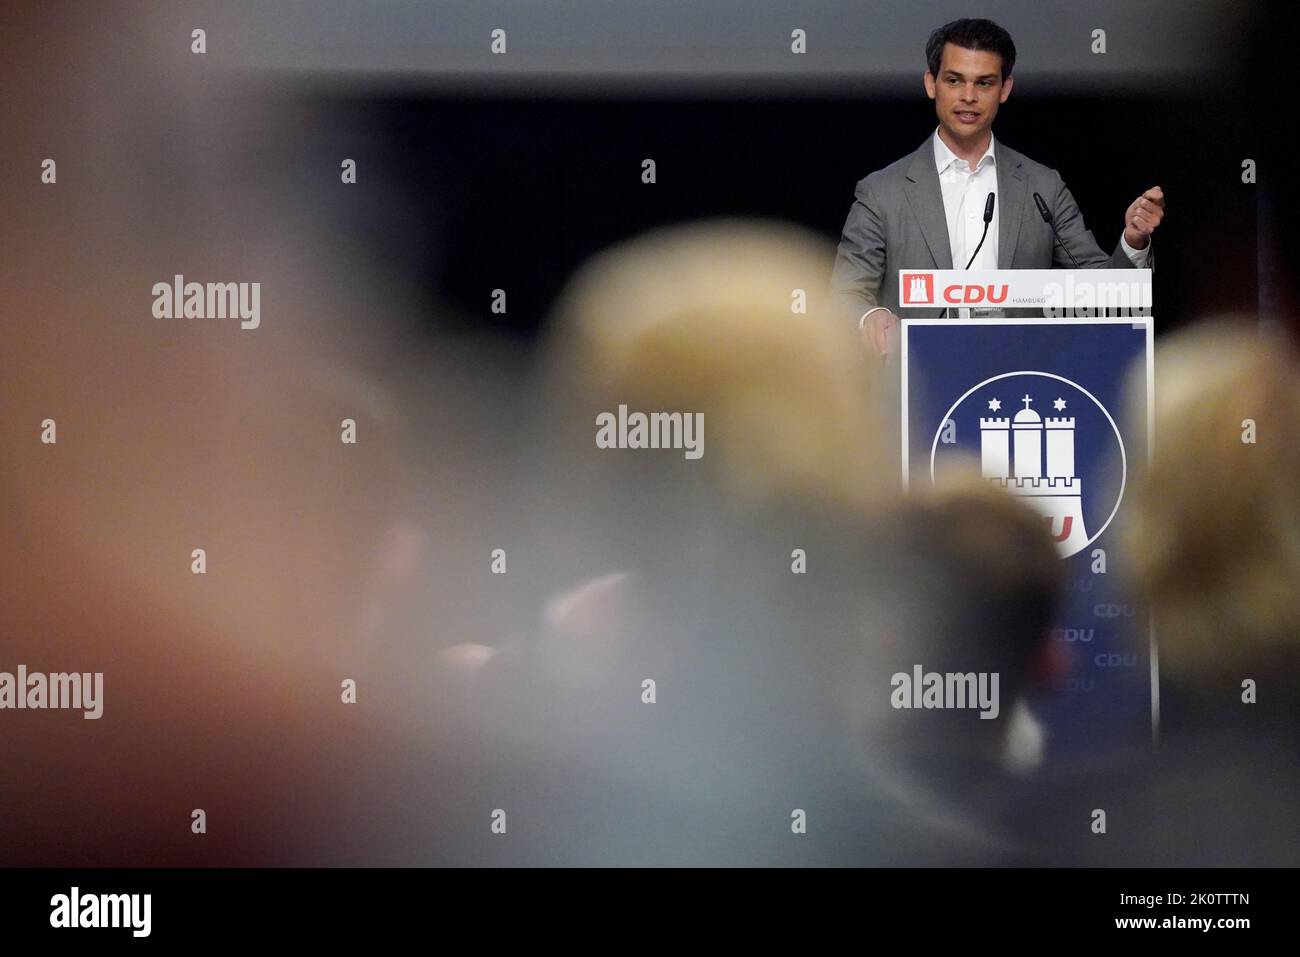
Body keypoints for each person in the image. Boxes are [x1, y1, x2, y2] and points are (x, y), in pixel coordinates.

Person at [830, 18, 1166, 362]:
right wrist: (870, 317)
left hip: (1018, 379)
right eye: (954, 80)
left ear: (1005, 89)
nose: (968, 96)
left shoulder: (1043, 186)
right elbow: (845, 295)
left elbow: (1104, 292)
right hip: (916, 385)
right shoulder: (882, 191)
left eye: (984, 83)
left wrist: (1134, 240)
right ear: (932, 84)